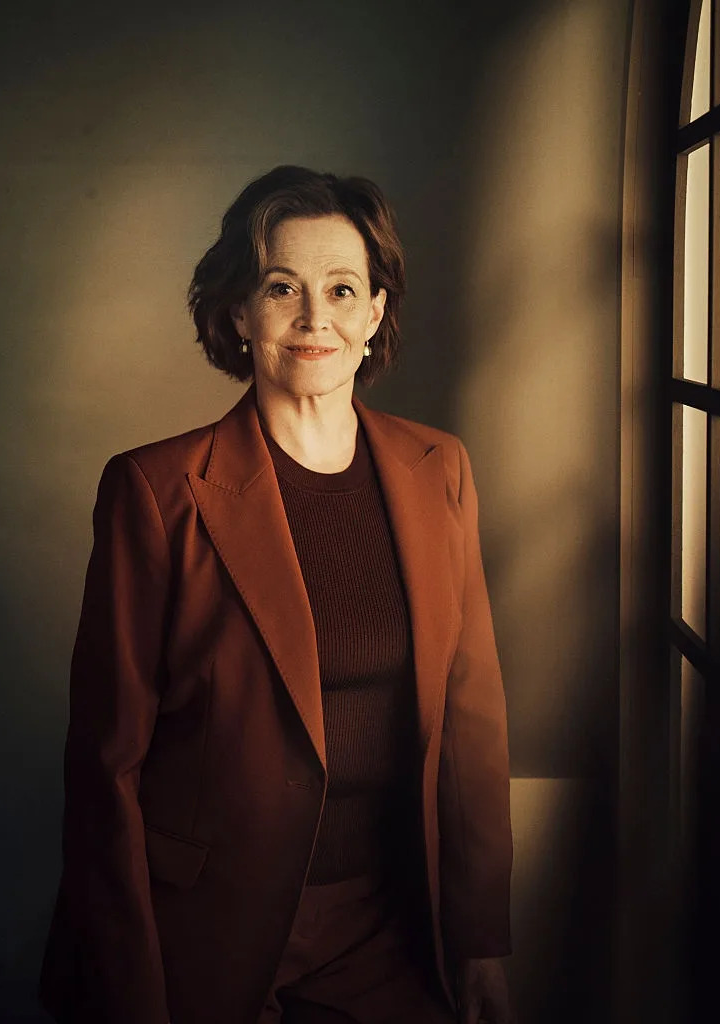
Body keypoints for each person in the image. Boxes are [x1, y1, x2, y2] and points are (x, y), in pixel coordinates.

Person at [38, 165, 515, 1024]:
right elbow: (106, 767)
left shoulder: (439, 468)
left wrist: (480, 940)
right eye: (280, 287)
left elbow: (470, 717)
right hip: (207, 934)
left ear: (375, 313)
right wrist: (130, 994)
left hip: (392, 925)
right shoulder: (156, 489)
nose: (313, 318)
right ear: (237, 313)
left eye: (341, 289)